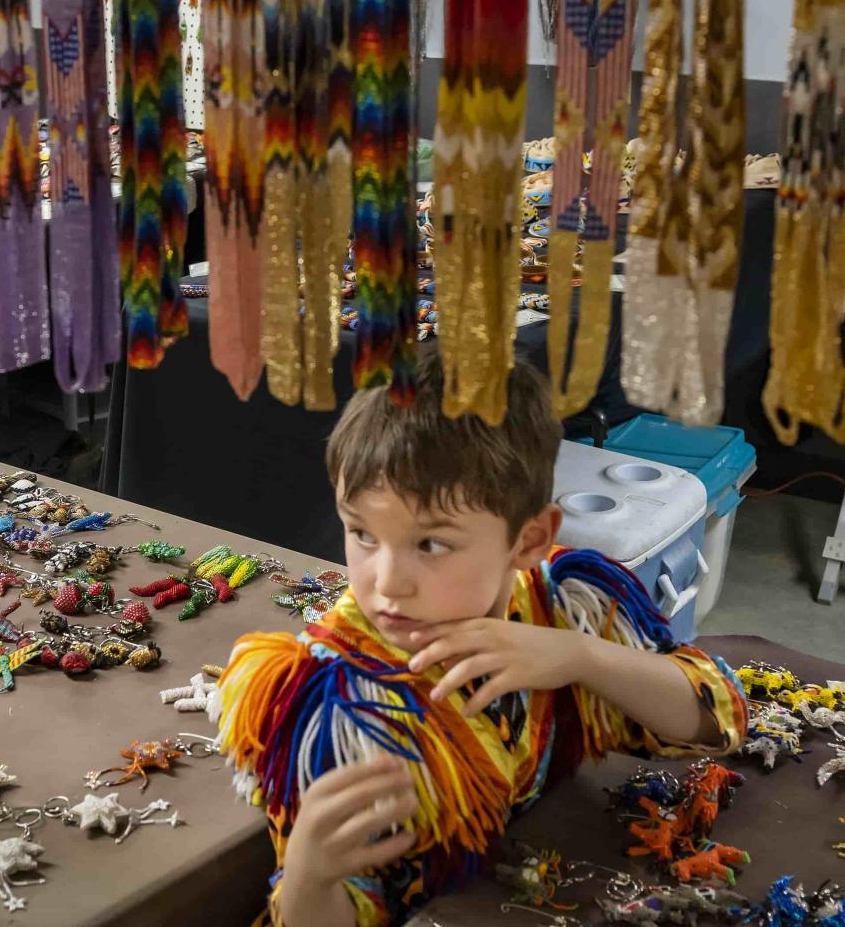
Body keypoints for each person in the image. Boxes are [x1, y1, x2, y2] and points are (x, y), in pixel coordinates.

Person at [214, 357, 748, 926]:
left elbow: (718, 719)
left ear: (530, 538)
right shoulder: (334, 698)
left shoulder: (565, 603)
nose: (387, 583)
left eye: (432, 545)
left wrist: (577, 655)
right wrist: (309, 872)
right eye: (363, 534)